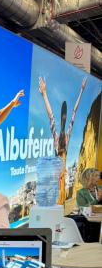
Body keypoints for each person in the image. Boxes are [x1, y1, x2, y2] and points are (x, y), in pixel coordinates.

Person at [38, 76, 87, 205]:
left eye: (64, 117)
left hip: (62, 176)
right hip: (56, 176)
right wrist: (44, 94)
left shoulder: (67, 136)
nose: (64, 119)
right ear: (61, 120)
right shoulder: (57, 138)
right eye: (63, 117)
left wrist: (82, 90)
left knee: (60, 203)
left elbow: (74, 112)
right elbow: (51, 117)